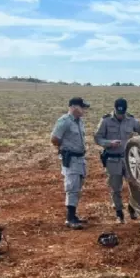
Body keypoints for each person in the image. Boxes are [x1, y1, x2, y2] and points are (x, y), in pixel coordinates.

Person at [94, 98, 140, 223]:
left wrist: (138, 143)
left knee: (135, 185)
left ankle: (132, 208)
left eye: (123, 114)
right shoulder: (106, 120)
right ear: (115, 109)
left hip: (129, 159)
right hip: (112, 159)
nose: (121, 116)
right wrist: (109, 143)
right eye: (118, 113)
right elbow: (97, 138)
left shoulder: (131, 120)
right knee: (115, 188)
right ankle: (119, 214)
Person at [51, 97, 90, 230]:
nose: (84, 110)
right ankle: (70, 218)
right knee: (72, 187)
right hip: (71, 159)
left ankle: (74, 215)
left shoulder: (79, 122)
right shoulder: (64, 121)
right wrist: (64, 149)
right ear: (74, 107)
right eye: (82, 107)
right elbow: (55, 138)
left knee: (77, 188)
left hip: (80, 159)